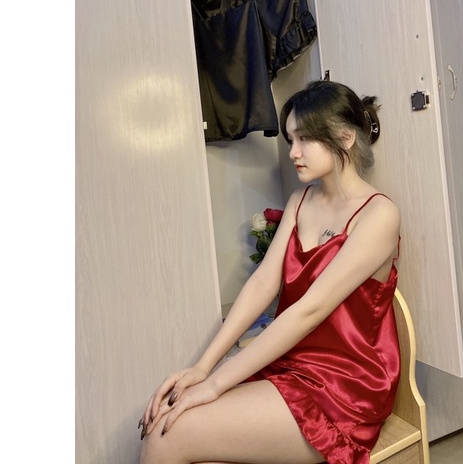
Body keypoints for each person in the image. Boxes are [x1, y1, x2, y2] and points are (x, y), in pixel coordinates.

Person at [139, 80, 402, 464]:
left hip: (343, 384)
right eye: (290, 139)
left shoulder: (380, 215)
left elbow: (309, 311)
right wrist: (202, 367)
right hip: (291, 362)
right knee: (164, 423)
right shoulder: (300, 200)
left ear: (346, 137)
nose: (293, 152)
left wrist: (215, 384)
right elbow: (263, 282)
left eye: (304, 139)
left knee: (167, 435)